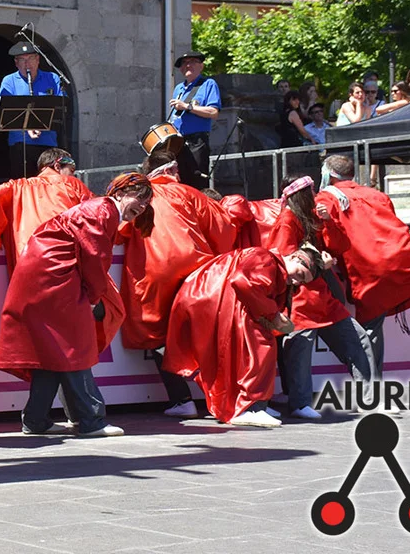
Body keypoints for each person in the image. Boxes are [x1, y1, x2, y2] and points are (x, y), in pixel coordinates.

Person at [0, 173, 153, 438]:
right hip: (55, 277)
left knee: (54, 348)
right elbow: (95, 257)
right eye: (139, 197)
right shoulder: (103, 211)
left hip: (44, 275)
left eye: (146, 202)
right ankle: (90, 419)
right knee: (74, 346)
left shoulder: (99, 210)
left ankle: (36, 419)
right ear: (119, 193)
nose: (143, 205)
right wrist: (94, 297)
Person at [119, 149, 236, 418]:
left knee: (158, 334)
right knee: (205, 333)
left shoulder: (137, 195)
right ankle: (222, 399)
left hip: (154, 271)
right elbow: (224, 227)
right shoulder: (190, 193)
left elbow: (119, 229)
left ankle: (182, 399)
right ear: (172, 171)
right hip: (196, 269)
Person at [317, 155, 410, 376]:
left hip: (368, 269)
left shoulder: (326, 199)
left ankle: (371, 386)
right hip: (404, 255)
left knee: (370, 330)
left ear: (328, 175)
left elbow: (331, 243)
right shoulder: (376, 194)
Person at [164, 246, 322, 428]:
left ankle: (254, 405)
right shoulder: (266, 258)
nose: (296, 281)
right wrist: (273, 314)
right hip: (217, 300)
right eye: (300, 274)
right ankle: (248, 407)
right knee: (259, 348)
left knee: (255, 349)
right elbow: (241, 281)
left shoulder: (270, 263)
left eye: (301, 281)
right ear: (294, 257)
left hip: (220, 299)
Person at [266, 175, 374, 420]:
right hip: (301, 297)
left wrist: (329, 222)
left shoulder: (312, 217)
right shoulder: (287, 220)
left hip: (321, 295)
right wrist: (318, 262)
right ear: (300, 195)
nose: (315, 196)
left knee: (358, 339)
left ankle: (367, 398)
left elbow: (340, 246)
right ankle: (300, 402)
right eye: (311, 191)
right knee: (300, 347)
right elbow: (286, 261)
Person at [0, 147, 92, 274]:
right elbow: (96, 214)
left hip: (25, 264)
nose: (73, 175)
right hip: (64, 264)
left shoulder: (14, 187)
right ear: (57, 166)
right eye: (71, 171)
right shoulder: (73, 184)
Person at [0, 41, 65, 179]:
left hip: (48, 143)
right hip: (21, 144)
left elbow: (61, 106)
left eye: (30, 58)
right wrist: (28, 126)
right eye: (22, 60)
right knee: (24, 186)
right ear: (16, 63)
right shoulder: (9, 81)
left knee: (48, 185)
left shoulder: (52, 78)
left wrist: (42, 123)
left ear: (38, 59)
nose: (27, 64)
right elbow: (7, 112)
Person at [167, 51, 220, 190]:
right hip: (178, 142)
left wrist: (187, 106)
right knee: (180, 182)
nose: (187, 65)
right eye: (184, 63)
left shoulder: (208, 84)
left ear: (201, 66)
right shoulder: (178, 88)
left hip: (196, 141)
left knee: (197, 182)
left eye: (192, 62)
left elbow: (213, 112)